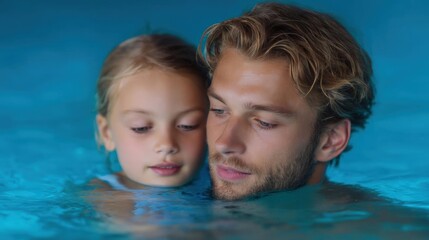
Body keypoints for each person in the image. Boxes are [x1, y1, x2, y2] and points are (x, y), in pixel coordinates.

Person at [199, 2, 375, 200]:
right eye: (219, 110)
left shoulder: (383, 228)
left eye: (264, 122)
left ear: (330, 140)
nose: (224, 143)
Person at [95, 34, 209, 188]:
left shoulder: (229, 186)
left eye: (188, 125)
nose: (167, 144)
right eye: (141, 128)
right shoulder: (100, 198)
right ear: (107, 133)